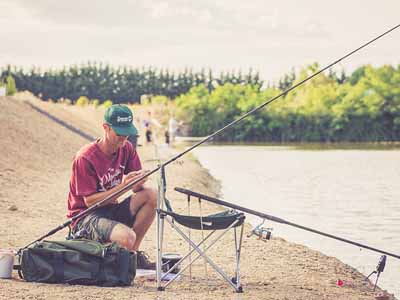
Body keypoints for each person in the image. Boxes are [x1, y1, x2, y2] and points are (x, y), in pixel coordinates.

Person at [67, 104, 157, 269]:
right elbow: (90, 202)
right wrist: (124, 186)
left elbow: (136, 190)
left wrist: (139, 182)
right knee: (127, 238)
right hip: (85, 217)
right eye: (119, 133)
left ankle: (132, 257)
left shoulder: (127, 148)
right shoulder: (85, 158)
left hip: (110, 210)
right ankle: (125, 253)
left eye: (127, 133)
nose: (124, 138)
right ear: (105, 128)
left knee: (151, 194)